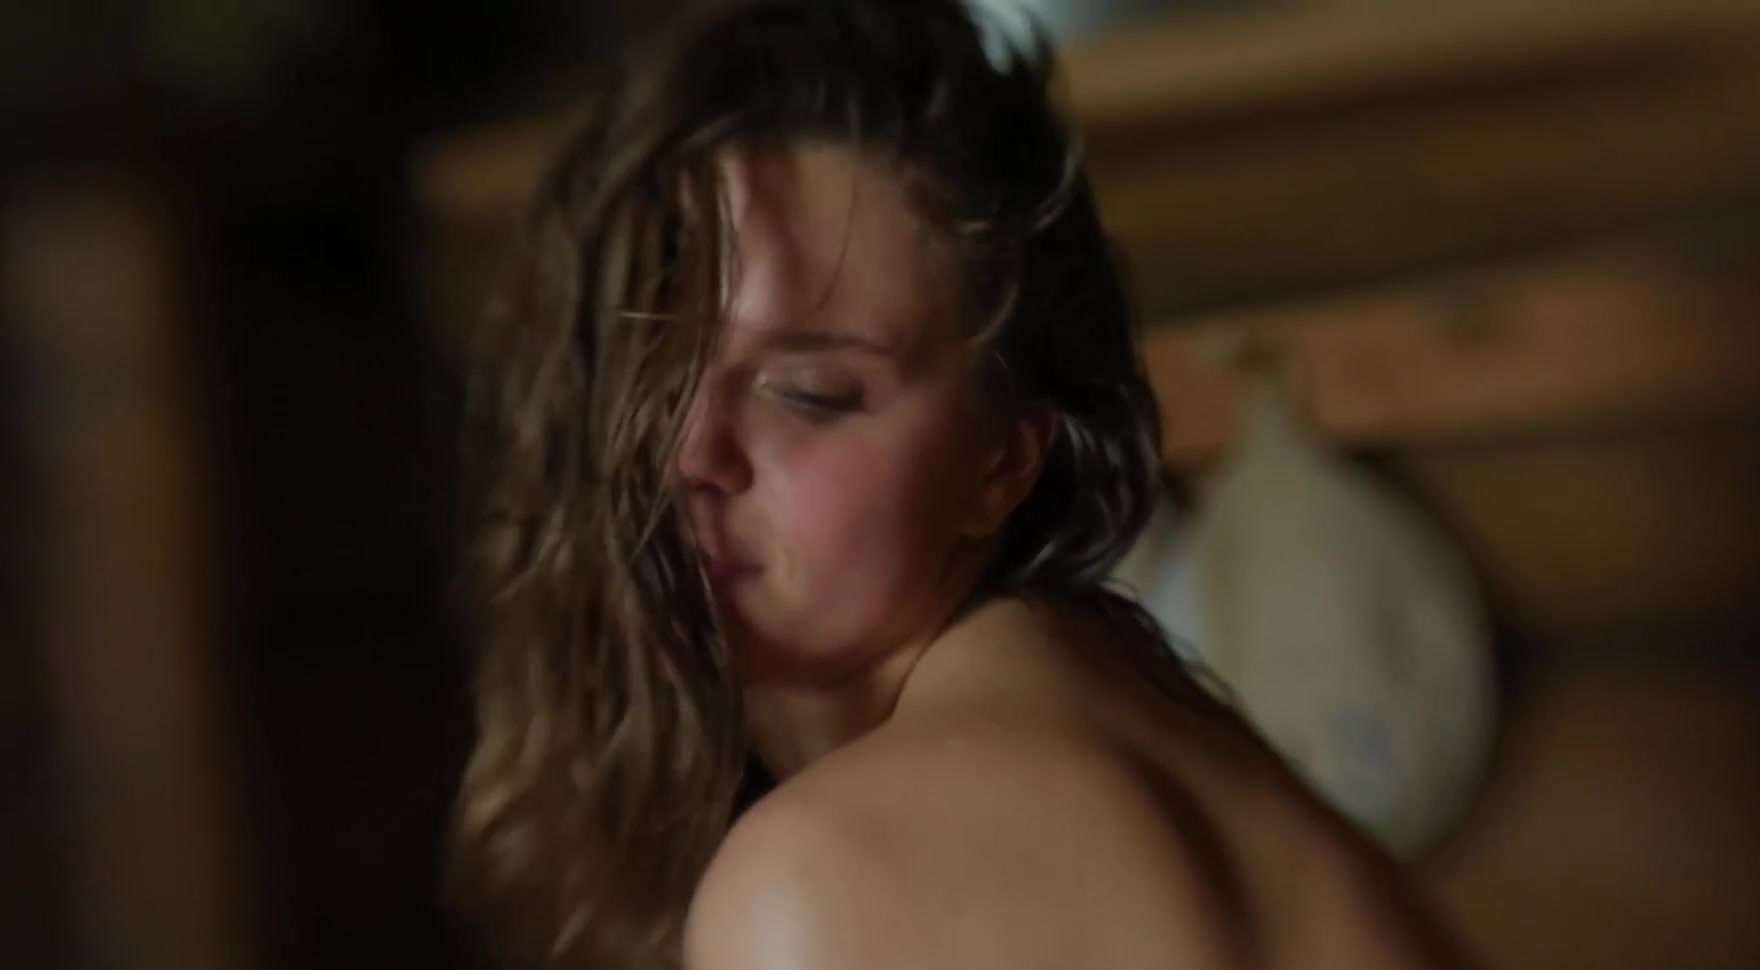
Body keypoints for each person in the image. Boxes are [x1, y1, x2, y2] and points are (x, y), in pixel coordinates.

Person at [449, 2, 1470, 968]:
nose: (688, 454)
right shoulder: (1154, 731)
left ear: (1004, 459)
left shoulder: (823, 877)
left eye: (807, 393)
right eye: (653, 373)